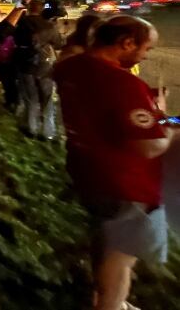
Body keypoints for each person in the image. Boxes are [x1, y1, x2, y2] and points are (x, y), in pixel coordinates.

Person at [54, 16, 176, 310]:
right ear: (127, 43)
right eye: (146, 48)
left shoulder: (69, 67)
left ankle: (105, 295)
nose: (146, 55)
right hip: (126, 182)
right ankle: (110, 304)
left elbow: (104, 110)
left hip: (87, 171)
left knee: (106, 238)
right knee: (122, 255)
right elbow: (148, 145)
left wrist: (147, 105)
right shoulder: (123, 83)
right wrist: (168, 123)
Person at [13, 0, 64, 139]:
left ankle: (32, 129)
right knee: (47, 99)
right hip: (44, 66)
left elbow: (13, 40)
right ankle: (48, 132)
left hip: (25, 65)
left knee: (31, 99)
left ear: (29, 8)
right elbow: (59, 44)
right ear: (41, 10)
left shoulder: (20, 23)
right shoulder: (48, 25)